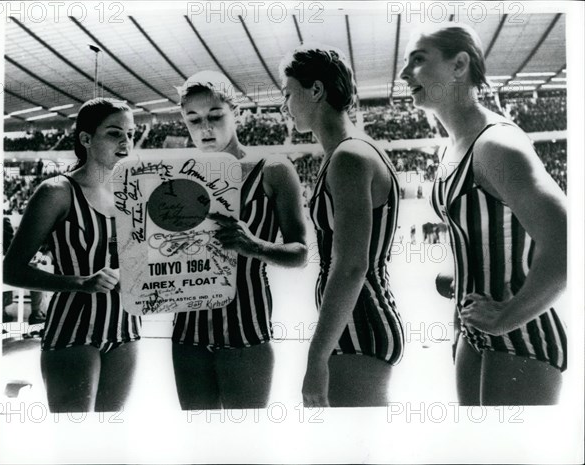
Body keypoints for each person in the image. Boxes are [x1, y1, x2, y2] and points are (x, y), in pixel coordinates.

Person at [400, 24, 567, 405]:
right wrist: (460, 275)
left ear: (459, 65)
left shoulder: (496, 145)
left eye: (418, 60)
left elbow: (570, 244)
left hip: (521, 337)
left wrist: (508, 316)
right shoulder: (452, 148)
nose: (404, 73)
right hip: (476, 333)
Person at [172, 70, 307, 410]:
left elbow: (299, 253)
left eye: (215, 116)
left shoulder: (273, 169)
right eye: (194, 119)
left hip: (246, 330)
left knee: (245, 444)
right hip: (188, 332)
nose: (205, 127)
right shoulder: (175, 175)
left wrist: (253, 245)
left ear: (237, 113)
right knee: (198, 443)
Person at [280, 46, 404, 407]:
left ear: (316, 91)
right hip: (360, 324)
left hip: (358, 329)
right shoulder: (353, 151)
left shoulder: (349, 157)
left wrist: (316, 358)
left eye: (289, 93)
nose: (285, 105)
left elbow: (351, 266)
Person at [3, 98, 142, 412]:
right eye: (114, 133)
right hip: (73, 330)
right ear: (85, 139)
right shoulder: (56, 192)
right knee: (74, 437)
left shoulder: (133, 193)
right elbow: (10, 271)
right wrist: (80, 282)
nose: (126, 142)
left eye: (131, 134)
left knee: (110, 436)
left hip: (126, 330)